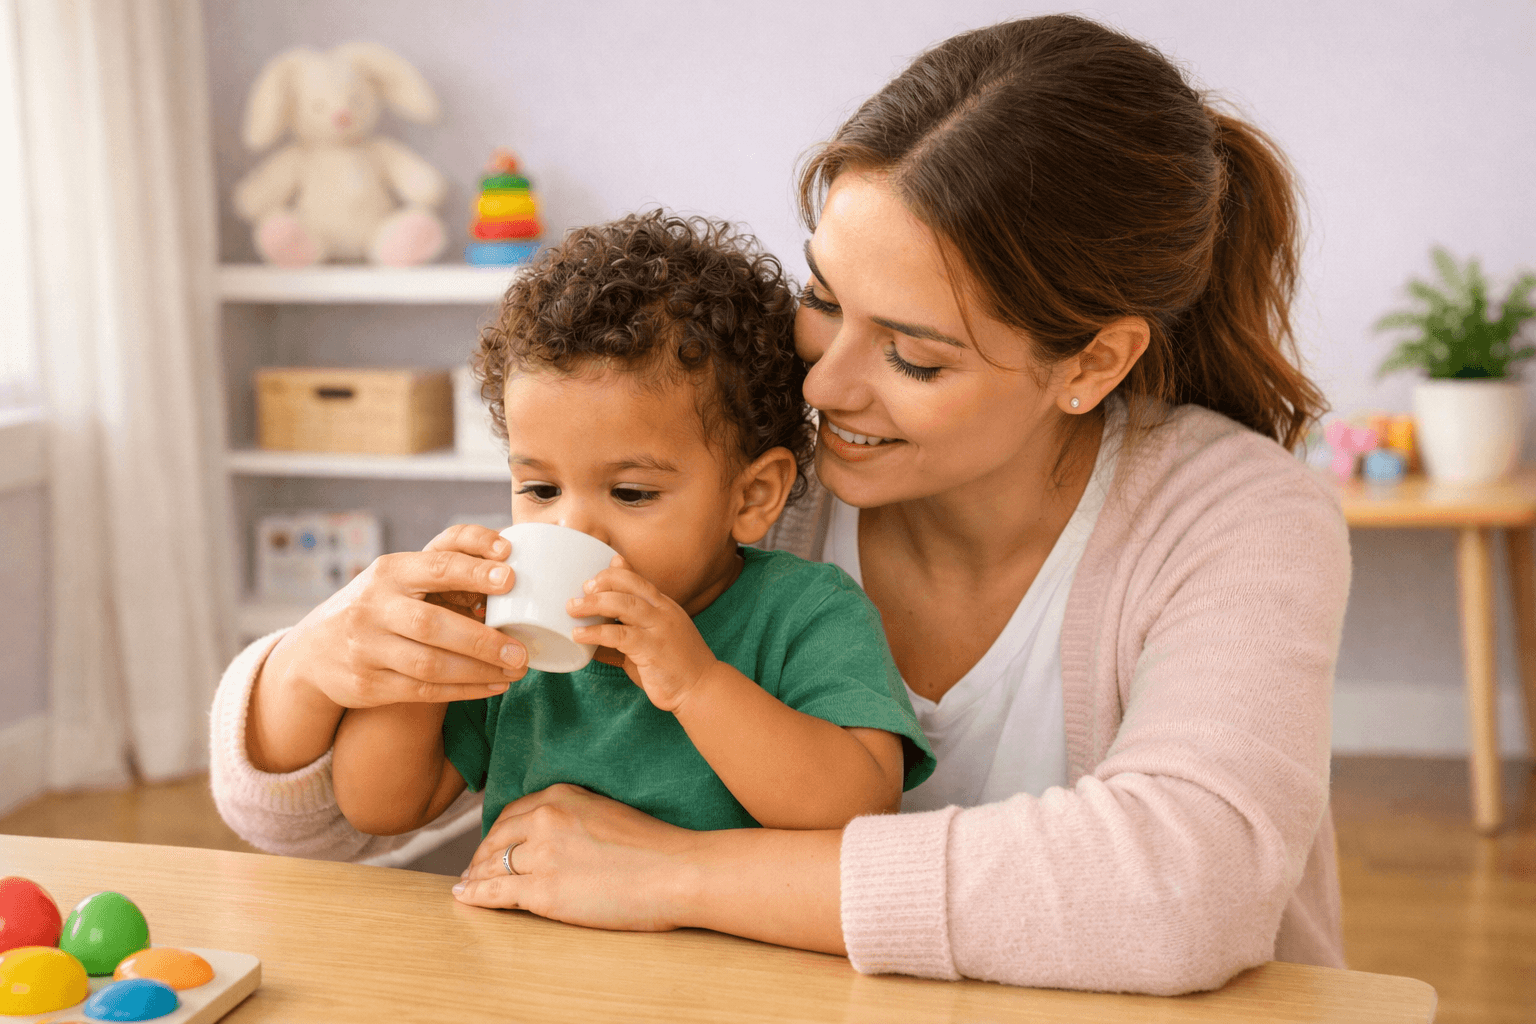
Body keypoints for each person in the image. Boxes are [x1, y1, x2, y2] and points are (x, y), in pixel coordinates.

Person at [210, 14, 1350, 995]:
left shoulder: (1238, 517)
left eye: (912, 354)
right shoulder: (733, 473)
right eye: (822, 298)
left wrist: (673, 875)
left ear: (1092, 363)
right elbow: (312, 821)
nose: (822, 385)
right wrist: (322, 661)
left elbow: (1180, 890)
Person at [327, 212, 934, 840]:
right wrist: (423, 653)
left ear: (752, 496)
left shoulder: (805, 614)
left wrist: (696, 684)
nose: (573, 527)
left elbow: (864, 811)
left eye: (631, 492)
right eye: (539, 488)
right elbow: (381, 807)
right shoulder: (509, 631)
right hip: (527, 936)